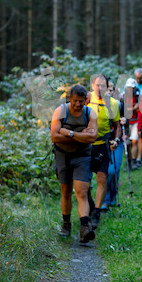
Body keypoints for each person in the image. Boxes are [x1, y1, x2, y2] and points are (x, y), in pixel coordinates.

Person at [50, 84, 98, 243]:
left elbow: (92, 138)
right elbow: (55, 137)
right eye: (75, 101)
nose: (78, 104)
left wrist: (68, 132)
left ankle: (85, 227)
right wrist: (80, 135)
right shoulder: (60, 111)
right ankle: (66, 224)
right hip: (62, 155)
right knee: (66, 191)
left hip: (83, 156)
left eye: (82, 101)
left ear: (87, 99)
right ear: (69, 98)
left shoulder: (90, 113)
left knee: (82, 192)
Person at [88, 74, 122, 230]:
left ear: (107, 87)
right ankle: (89, 203)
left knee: (102, 178)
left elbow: (117, 125)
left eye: (103, 85)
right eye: (97, 85)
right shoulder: (86, 100)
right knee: (84, 182)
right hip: (86, 144)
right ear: (93, 86)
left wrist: (116, 139)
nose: (99, 88)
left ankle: (96, 212)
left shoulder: (113, 103)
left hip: (103, 144)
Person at [103, 80, 124, 210]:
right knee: (106, 172)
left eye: (111, 90)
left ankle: (112, 194)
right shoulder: (97, 105)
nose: (109, 92)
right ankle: (106, 199)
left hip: (117, 141)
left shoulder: (119, 105)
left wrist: (124, 121)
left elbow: (123, 124)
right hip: (103, 142)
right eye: (107, 90)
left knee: (113, 170)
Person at [124, 78, 141, 170]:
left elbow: (138, 107)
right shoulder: (123, 97)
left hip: (135, 121)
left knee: (134, 141)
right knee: (126, 143)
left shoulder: (137, 96)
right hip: (126, 122)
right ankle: (128, 161)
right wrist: (132, 109)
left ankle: (134, 161)